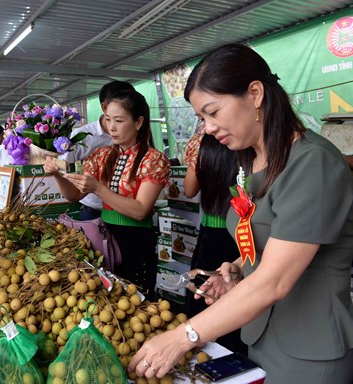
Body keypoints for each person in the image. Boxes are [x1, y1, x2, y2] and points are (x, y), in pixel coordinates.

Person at [128, 44, 353, 384]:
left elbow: (275, 281)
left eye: (213, 112)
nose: (207, 128)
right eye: (202, 118)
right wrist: (233, 270)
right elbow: (271, 243)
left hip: (308, 349)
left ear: (255, 94)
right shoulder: (249, 163)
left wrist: (183, 336)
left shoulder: (312, 164)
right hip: (262, 333)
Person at [44, 89, 169, 297]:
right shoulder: (101, 155)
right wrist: (57, 175)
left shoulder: (153, 159)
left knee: (135, 302)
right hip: (102, 238)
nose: (111, 127)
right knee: (106, 301)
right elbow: (74, 196)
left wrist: (98, 189)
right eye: (108, 119)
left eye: (119, 121)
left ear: (138, 123)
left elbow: (140, 211)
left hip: (135, 241)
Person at [182, 131, 246, 355]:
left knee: (203, 299)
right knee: (238, 303)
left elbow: (189, 190)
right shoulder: (251, 143)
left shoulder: (205, 143)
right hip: (243, 237)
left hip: (213, 236)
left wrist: (197, 157)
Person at [60, 80, 136, 220]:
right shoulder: (83, 137)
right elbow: (64, 169)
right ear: (105, 107)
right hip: (94, 211)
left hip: (127, 210)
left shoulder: (136, 136)